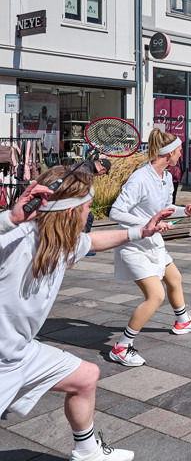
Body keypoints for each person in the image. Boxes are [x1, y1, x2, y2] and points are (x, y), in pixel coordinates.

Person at [0, 170, 174, 461]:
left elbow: (93, 242)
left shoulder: (62, 243)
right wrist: (10, 219)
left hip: (19, 353)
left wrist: (141, 231)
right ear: (70, 212)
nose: (90, 212)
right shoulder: (16, 238)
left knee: (85, 377)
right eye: (88, 207)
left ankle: (88, 451)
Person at [108, 128, 191, 367]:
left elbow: (166, 209)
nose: (182, 153)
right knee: (156, 296)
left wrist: (186, 211)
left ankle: (182, 322)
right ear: (169, 153)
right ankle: (121, 347)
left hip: (154, 243)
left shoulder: (165, 178)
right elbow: (116, 212)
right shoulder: (140, 178)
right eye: (179, 150)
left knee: (174, 278)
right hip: (134, 246)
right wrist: (149, 224)